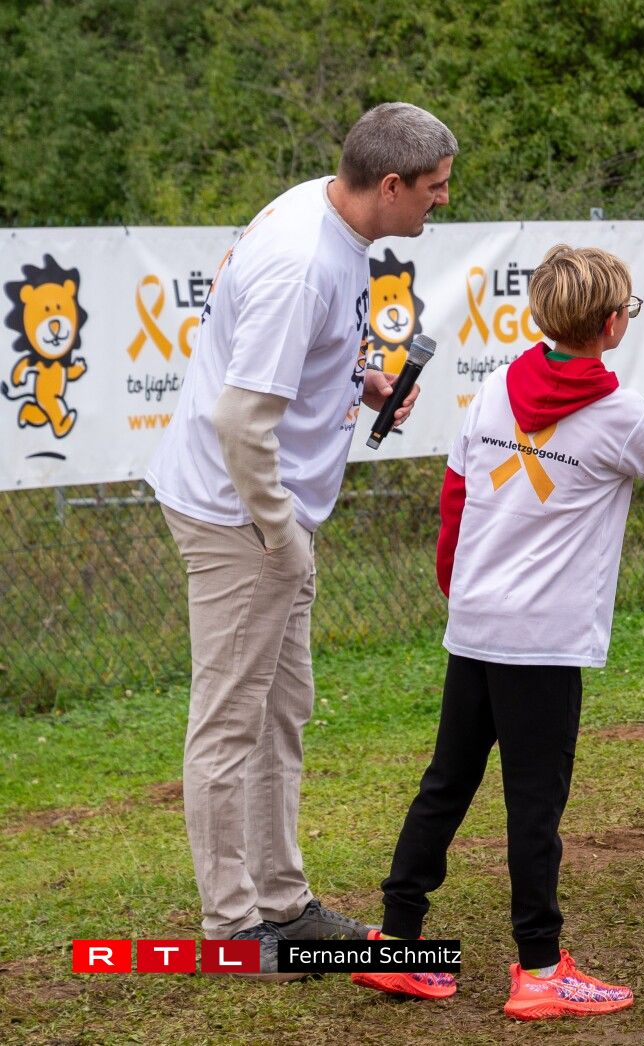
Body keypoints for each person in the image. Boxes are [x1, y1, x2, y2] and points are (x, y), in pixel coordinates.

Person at [351, 245, 644, 1021]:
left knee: (446, 784)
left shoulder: (495, 386)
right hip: (541, 642)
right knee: (534, 806)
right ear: (611, 324)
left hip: (478, 626)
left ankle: (399, 942)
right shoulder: (619, 414)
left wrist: (462, 593)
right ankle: (539, 969)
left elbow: (456, 496)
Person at [145, 102, 457, 981]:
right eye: (434, 189)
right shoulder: (302, 263)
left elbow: (281, 353)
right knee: (229, 721)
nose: (441, 202)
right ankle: (232, 927)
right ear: (389, 184)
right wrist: (279, 535)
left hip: (267, 514)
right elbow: (240, 419)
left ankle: (283, 902)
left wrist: (360, 380)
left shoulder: (327, 213)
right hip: (240, 517)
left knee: (281, 711)